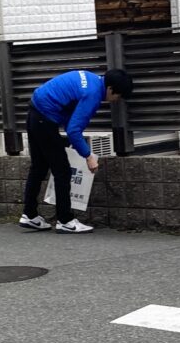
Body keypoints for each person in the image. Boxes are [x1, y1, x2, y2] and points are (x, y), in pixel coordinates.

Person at [20, 68, 134, 234]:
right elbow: (74, 130)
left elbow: (69, 114)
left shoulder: (91, 79)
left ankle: (29, 215)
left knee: (38, 167)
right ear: (110, 89)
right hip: (45, 118)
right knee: (62, 171)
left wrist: (77, 143)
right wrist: (88, 156)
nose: (117, 100)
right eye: (118, 96)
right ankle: (65, 220)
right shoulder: (93, 94)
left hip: (34, 112)